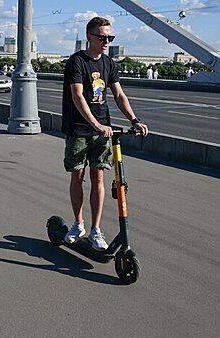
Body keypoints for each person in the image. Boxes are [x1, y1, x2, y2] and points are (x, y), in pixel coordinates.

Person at [61, 16, 149, 251]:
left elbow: (119, 95)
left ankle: (95, 230)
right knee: (77, 176)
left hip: (102, 131)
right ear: (89, 37)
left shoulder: (109, 64)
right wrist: (95, 125)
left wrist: (134, 119)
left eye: (110, 37)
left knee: (98, 178)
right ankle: (78, 224)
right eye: (102, 37)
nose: (106, 41)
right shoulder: (77, 62)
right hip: (79, 129)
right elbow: (78, 96)